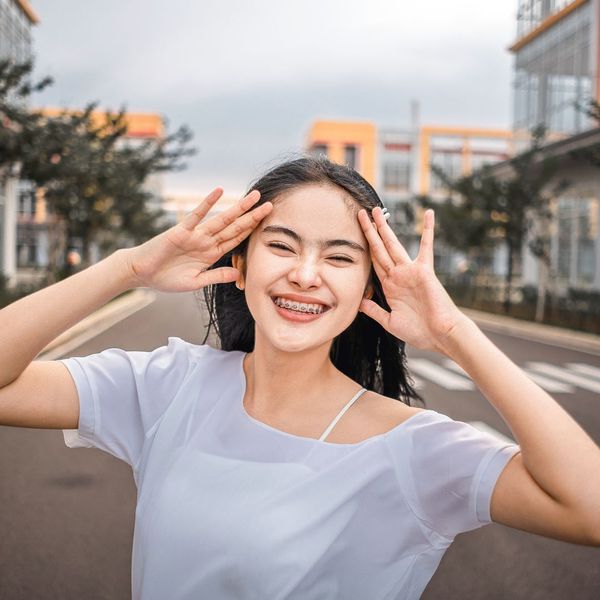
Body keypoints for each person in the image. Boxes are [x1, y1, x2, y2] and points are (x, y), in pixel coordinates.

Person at [1, 156, 599, 600]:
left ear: (370, 286)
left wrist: (454, 333)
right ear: (240, 261)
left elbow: (589, 508)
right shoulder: (169, 384)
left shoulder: (412, 448)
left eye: (339, 257)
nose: (305, 275)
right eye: (281, 246)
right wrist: (128, 269)